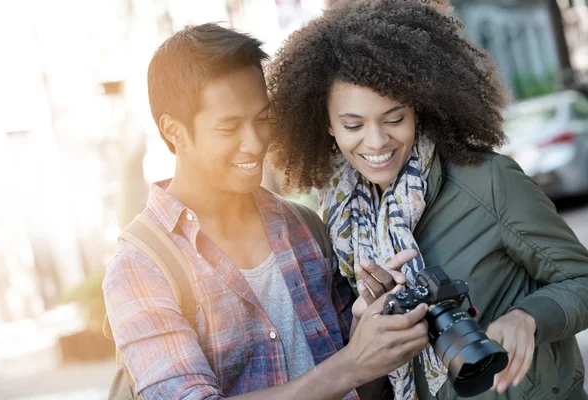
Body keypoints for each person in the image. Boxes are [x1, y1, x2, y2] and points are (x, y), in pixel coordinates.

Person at [267, 1, 588, 399]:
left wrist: (529, 318)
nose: (377, 142)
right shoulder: (339, 223)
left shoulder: (487, 181)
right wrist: (365, 328)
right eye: (353, 125)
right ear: (328, 125)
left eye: (394, 118)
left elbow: (581, 278)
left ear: (419, 107)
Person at [103, 23, 431, 400]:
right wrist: (352, 363)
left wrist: (370, 328)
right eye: (229, 128)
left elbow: (361, 388)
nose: (255, 142)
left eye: (262, 119)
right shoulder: (140, 268)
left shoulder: (303, 226)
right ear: (174, 131)